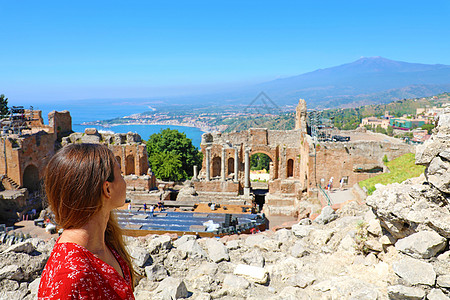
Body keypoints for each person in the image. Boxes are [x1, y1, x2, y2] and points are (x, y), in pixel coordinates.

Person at [38, 143, 136, 299]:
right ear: (107, 189)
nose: (125, 182)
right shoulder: (68, 275)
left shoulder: (105, 244)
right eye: (121, 174)